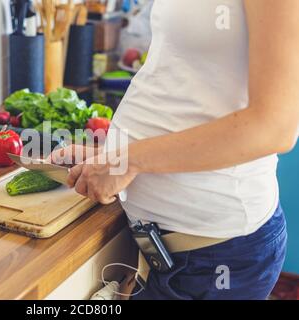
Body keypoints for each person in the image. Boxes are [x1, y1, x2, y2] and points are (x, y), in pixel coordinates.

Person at [50, 0, 299, 299]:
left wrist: (128, 161)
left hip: (216, 260)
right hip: (171, 253)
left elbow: (274, 127)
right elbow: (190, 86)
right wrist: (112, 154)